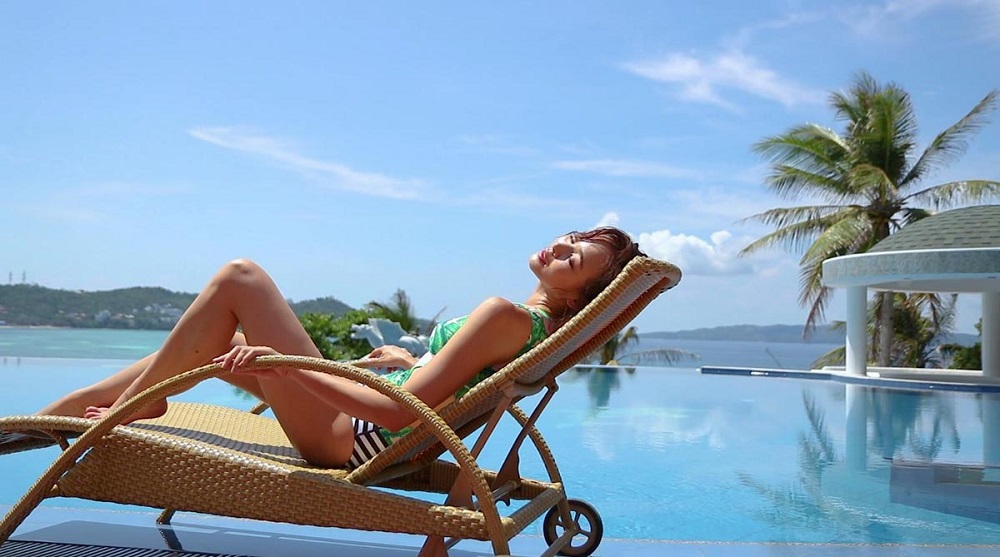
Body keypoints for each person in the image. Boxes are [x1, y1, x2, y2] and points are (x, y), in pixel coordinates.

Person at [35, 227, 645, 468]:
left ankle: (113, 407)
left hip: (350, 435)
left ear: (579, 297)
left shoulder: (504, 315)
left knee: (240, 278)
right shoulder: (530, 330)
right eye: (571, 238)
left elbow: (400, 413)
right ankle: (103, 407)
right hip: (361, 420)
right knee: (227, 337)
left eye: (575, 259)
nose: (559, 248)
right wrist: (414, 362)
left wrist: (287, 370)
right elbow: (440, 387)